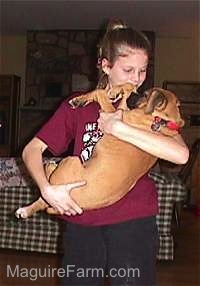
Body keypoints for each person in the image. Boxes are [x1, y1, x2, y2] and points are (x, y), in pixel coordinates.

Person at [22, 19, 189, 286]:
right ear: (106, 65)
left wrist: (119, 129)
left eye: (143, 70)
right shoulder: (77, 105)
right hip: (82, 215)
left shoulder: (146, 105)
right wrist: (47, 188)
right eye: (128, 70)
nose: (137, 79)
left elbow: (180, 154)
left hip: (133, 217)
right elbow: (32, 149)